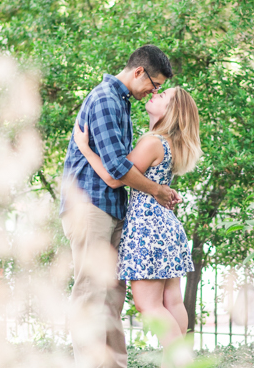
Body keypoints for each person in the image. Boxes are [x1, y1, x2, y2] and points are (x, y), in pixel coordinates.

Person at [61, 45, 180, 368]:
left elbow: (119, 171)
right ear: (139, 72)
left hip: (112, 209)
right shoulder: (104, 99)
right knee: (91, 295)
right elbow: (116, 168)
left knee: (112, 297)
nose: (153, 92)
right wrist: (156, 190)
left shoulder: (122, 103)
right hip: (90, 206)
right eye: (154, 85)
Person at [73, 85, 202, 360]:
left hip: (148, 228)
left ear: (171, 110)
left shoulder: (153, 141)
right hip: (165, 225)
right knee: (173, 301)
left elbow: (114, 178)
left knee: (149, 304)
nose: (156, 94)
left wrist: (84, 147)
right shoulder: (170, 142)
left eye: (163, 96)